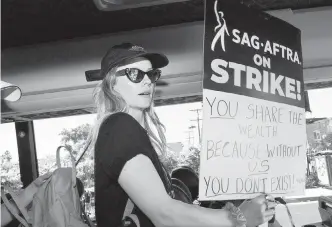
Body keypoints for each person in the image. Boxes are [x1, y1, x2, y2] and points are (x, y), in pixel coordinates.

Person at [90, 43, 277, 227]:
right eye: (134, 74)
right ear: (112, 82)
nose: (147, 81)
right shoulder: (119, 127)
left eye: (151, 74)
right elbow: (164, 213)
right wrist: (237, 218)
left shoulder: (128, 131)